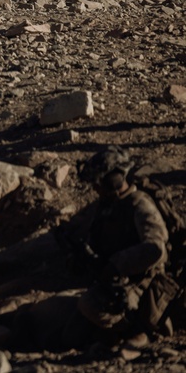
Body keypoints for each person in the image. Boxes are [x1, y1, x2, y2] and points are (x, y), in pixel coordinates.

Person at [61, 146, 175, 349]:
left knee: (89, 305)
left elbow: (155, 248)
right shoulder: (105, 206)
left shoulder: (139, 204)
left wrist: (116, 264)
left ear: (114, 178)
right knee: (68, 336)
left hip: (142, 282)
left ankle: (141, 329)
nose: (95, 188)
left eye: (99, 181)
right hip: (113, 281)